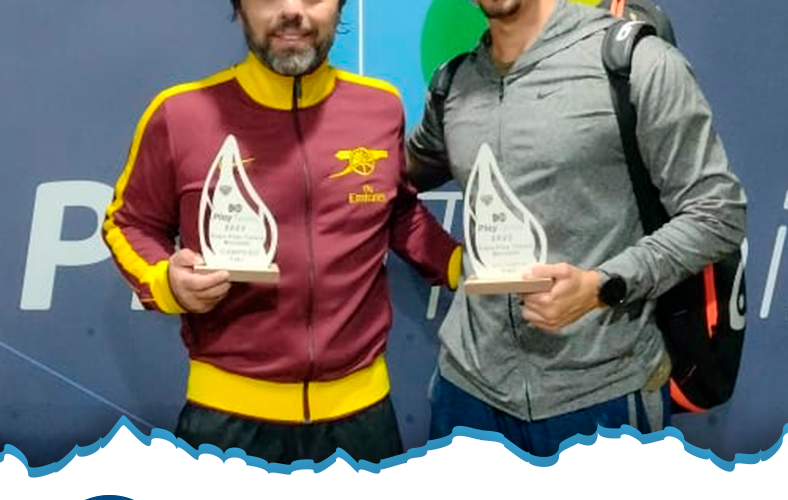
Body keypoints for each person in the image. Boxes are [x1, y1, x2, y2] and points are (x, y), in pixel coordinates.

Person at [103, 0, 461, 464]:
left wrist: (460, 265)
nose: (293, 11)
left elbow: (398, 211)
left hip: (364, 422)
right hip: (226, 422)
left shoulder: (381, 107)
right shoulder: (180, 113)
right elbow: (129, 222)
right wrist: (164, 281)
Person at [406, 0, 746, 457]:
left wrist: (603, 286)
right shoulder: (454, 86)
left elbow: (717, 213)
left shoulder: (634, 62)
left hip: (601, 393)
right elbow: (388, 179)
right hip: (466, 393)